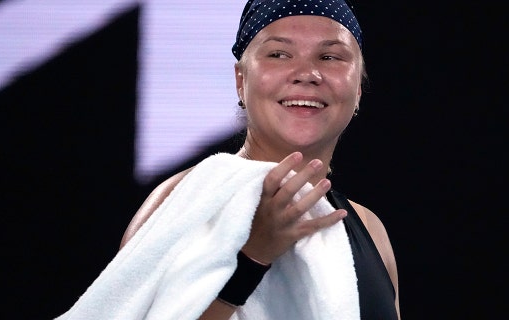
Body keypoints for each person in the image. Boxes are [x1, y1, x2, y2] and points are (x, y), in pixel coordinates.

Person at [119, 0, 400, 319]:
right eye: (279, 54)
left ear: (358, 88)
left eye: (329, 56)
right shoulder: (179, 201)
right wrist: (251, 259)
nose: (307, 74)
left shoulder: (369, 229)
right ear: (241, 80)